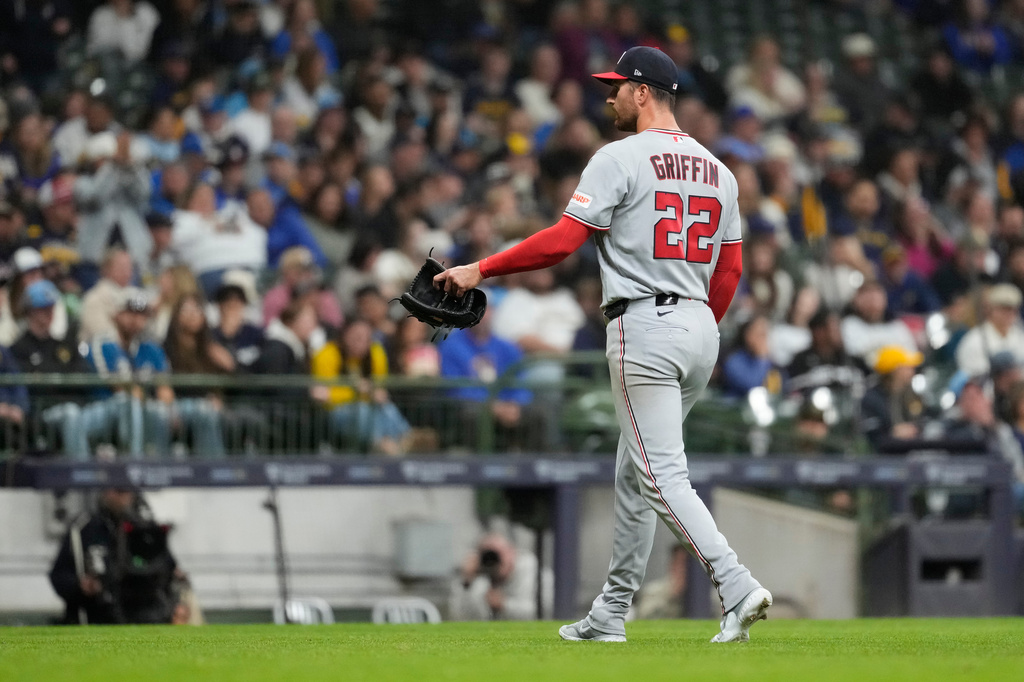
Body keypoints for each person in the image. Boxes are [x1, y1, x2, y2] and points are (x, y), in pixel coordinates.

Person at [434, 46, 770, 643]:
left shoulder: (619, 157)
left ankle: (736, 583)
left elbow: (564, 241)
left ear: (645, 94)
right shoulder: (719, 170)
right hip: (698, 327)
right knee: (634, 472)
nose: (609, 95)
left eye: (618, 86)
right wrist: (701, 328)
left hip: (645, 325)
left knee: (661, 475)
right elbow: (731, 269)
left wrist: (480, 268)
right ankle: (612, 613)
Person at [49, 488, 185, 624]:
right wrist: (80, 586)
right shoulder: (84, 528)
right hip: (96, 617)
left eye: (126, 490)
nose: (123, 497)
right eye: (117, 490)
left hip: (146, 615)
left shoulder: (145, 528)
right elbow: (59, 575)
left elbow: (167, 567)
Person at [449, 533, 552, 621]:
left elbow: (546, 612)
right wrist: (467, 582)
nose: (493, 560)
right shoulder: (481, 581)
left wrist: (504, 605)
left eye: (497, 553)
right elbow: (460, 618)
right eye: (487, 555)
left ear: (512, 552)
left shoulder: (534, 573)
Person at [860, 345, 927, 453]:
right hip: (881, 460)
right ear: (894, 371)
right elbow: (872, 437)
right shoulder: (871, 399)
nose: (912, 372)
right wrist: (893, 434)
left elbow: (925, 419)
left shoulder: (912, 395)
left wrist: (914, 428)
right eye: (907, 367)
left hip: (912, 455)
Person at [955, 283, 1024, 375]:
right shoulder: (974, 340)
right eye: (1004, 309)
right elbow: (971, 379)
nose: (1009, 314)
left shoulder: (1019, 335)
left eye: (1013, 309)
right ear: (990, 309)